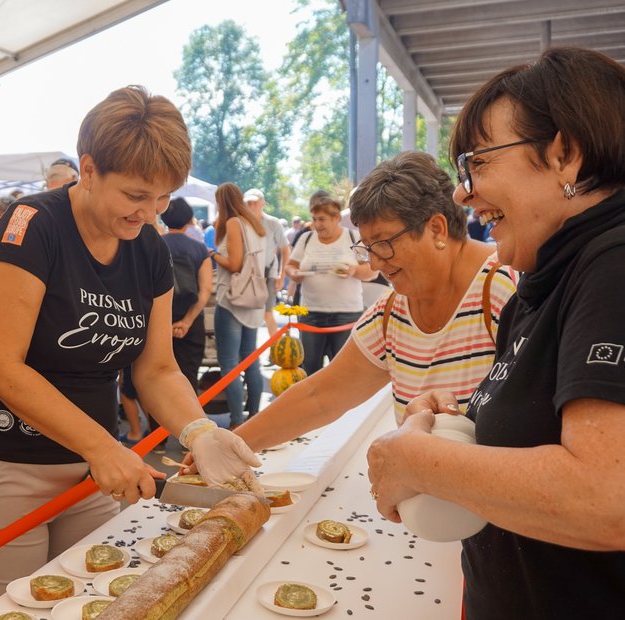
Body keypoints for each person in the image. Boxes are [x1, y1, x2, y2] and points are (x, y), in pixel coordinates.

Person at [0, 86, 261, 612]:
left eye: (162, 199)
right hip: (5, 464)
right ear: (88, 170)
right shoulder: (33, 226)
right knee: (17, 608)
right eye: (136, 196)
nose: (150, 213)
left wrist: (199, 430)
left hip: (95, 467)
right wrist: (103, 447)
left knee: (99, 601)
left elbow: (156, 368)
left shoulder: (152, 251)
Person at [366, 48, 625, 619]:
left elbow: (608, 498)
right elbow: (541, 435)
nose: (462, 193)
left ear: (566, 155)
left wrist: (414, 460)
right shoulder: (541, 283)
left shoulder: (612, 265)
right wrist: (460, 417)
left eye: (477, 163)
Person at [194, 150, 517, 466]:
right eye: (366, 248)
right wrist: (232, 444)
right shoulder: (391, 313)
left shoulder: (507, 289)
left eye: (384, 244)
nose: (375, 262)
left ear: (436, 228)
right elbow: (321, 396)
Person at [286, 191, 376, 374]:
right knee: (310, 369)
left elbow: (372, 271)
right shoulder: (306, 238)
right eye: (314, 219)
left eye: (322, 219)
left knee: (344, 372)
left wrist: (354, 271)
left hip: (347, 314)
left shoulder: (353, 237)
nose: (317, 225)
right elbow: (290, 265)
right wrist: (294, 273)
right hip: (310, 314)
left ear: (336, 218)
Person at [208, 182, 267, 429]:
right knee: (250, 359)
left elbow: (234, 264)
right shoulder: (254, 224)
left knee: (230, 363)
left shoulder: (233, 223)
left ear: (221, 202)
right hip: (253, 300)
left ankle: (237, 421)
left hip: (232, 299)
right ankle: (254, 416)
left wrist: (212, 254)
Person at [161, 197, 213, 390]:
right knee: (188, 380)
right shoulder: (199, 248)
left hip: (158, 324)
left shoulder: (154, 244)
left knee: (157, 382)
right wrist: (187, 321)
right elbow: (206, 288)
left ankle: (157, 421)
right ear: (189, 218)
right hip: (191, 323)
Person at [243, 188, 289, 338]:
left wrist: (282, 276)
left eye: (254, 202)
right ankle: (249, 353)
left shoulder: (273, 223)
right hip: (247, 276)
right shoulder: (241, 223)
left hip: (267, 274)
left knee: (267, 314)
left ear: (262, 203)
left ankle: (275, 349)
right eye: (248, 202)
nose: (251, 206)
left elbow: (285, 250)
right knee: (247, 315)